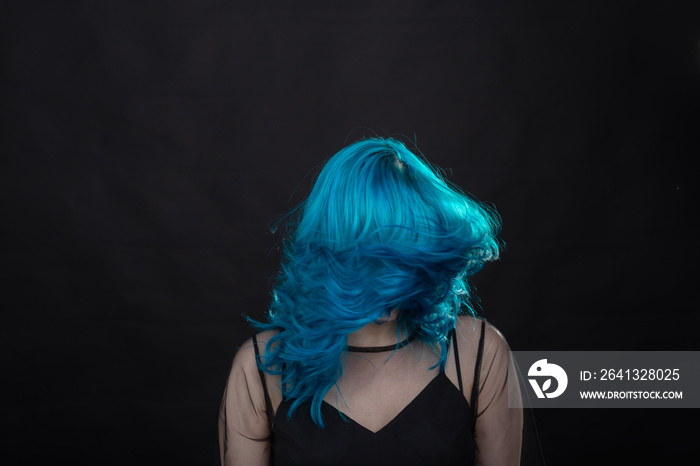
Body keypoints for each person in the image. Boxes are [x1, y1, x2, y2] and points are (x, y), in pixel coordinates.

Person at [218, 137, 524, 465]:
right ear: (331, 254)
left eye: (405, 257)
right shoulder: (263, 366)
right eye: (368, 260)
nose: (389, 282)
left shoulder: (479, 353)